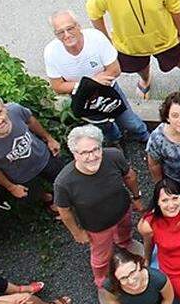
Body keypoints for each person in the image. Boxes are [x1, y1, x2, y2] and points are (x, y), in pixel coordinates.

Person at [53, 124, 143, 294]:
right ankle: (102, 282)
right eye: (84, 153)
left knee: (125, 231)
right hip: (97, 227)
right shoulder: (64, 182)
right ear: (74, 154)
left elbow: (129, 176)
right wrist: (77, 233)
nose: (92, 156)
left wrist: (136, 197)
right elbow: (64, 211)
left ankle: (124, 242)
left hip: (123, 210)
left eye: (96, 149)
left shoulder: (114, 156)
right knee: (101, 257)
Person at [43, 9, 150, 144]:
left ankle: (147, 139)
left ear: (78, 26)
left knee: (130, 122)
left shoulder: (96, 38)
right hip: (83, 98)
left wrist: (81, 84)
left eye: (70, 28)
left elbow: (115, 70)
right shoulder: (51, 52)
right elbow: (57, 86)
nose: (67, 35)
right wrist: (91, 82)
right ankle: (116, 144)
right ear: (55, 34)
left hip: (109, 90)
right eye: (60, 32)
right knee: (104, 128)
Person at [0, 94, 65, 212]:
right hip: (22, 176)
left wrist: (49, 139)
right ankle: (50, 200)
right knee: (35, 194)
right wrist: (12, 188)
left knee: (62, 178)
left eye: (0, 112)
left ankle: (71, 197)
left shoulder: (15, 110)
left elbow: (30, 121)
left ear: (5, 108)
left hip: (42, 157)